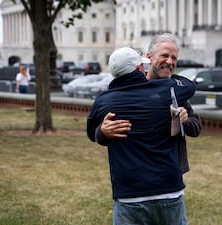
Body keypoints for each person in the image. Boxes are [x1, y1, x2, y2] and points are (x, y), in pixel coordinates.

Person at [86, 47, 195, 225]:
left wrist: (102, 131)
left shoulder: (103, 101)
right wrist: (164, 71)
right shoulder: (166, 91)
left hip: (129, 192)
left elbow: (92, 133)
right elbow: (190, 85)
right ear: (139, 69)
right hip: (168, 187)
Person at [96, 33, 201, 173]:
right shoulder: (129, 90)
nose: (170, 62)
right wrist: (103, 131)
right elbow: (99, 133)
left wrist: (185, 120)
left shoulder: (176, 90)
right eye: (164, 55)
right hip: (136, 174)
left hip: (170, 174)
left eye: (174, 58)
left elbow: (196, 128)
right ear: (149, 57)